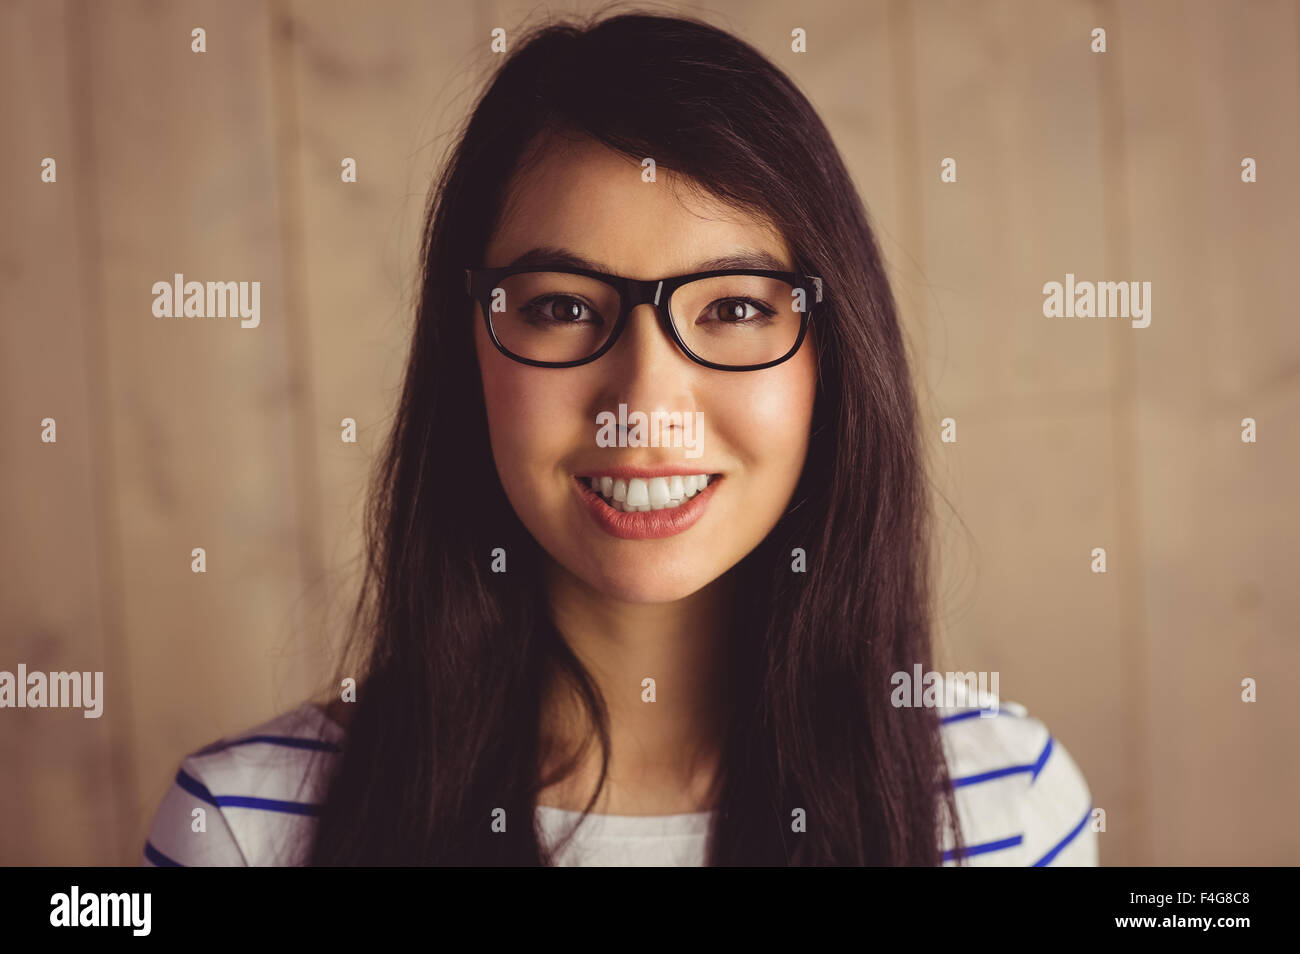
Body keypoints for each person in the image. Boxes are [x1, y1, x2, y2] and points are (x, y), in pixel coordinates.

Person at [142, 10, 1096, 867]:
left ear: (832, 363)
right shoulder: (245, 829)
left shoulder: (1003, 806)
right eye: (562, 306)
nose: (644, 404)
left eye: (730, 307)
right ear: (464, 353)